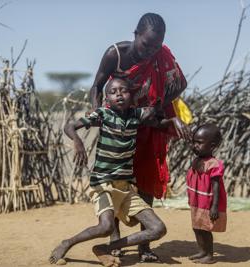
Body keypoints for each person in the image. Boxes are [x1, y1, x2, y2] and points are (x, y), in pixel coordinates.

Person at [89, 12, 190, 262]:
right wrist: (97, 112)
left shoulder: (161, 57)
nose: (151, 51)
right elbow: (97, 85)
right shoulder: (116, 54)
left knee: (146, 180)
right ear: (135, 35)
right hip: (120, 126)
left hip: (149, 126)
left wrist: (160, 104)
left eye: (157, 46)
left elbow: (180, 83)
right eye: (147, 44)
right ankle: (114, 240)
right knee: (115, 181)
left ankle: (145, 245)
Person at [49, 77, 176, 266]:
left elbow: (156, 115)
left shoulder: (136, 114)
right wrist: (77, 141)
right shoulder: (103, 114)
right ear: (106, 98)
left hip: (125, 188)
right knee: (106, 226)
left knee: (158, 229)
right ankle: (67, 243)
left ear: (131, 95)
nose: (119, 94)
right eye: (113, 92)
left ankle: (105, 249)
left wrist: (172, 115)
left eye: (123, 91)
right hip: (102, 184)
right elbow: (70, 126)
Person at [186, 123, 227, 264]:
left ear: (212, 145)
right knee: (197, 227)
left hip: (207, 203)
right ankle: (202, 251)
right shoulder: (197, 160)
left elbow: (216, 187)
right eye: (194, 142)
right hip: (198, 202)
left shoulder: (214, 164)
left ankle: (209, 254)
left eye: (199, 143)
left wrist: (214, 206)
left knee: (205, 229)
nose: (195, 145)